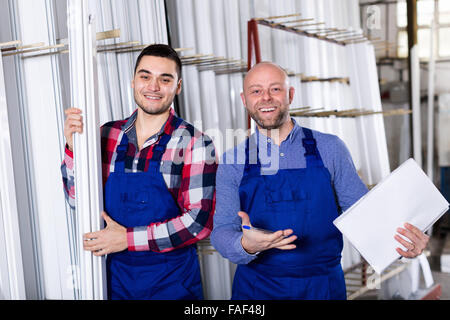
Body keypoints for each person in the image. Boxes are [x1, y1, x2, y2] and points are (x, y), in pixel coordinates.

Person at [210, 61, 429, 300]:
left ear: (290, 94)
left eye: (275, 89)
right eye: (256, 91)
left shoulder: (330, 148)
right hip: (257, 289)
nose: (266, 98)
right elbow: (221, 231)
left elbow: (364, 216)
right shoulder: (233, 161)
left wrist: (403, 246)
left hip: (322, 288)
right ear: (244, 100)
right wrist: (245, 245)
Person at [61, 44, 217, 300]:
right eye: (145, 76)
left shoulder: (195, 143)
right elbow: (77, 199)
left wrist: (128, 239)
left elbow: (199, 224)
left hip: (172, 285)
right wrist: (72, 147)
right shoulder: (105, 135)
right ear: (133, 82)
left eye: (164, 79)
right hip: (114, 282)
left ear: (178, 87)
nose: (153, 87)